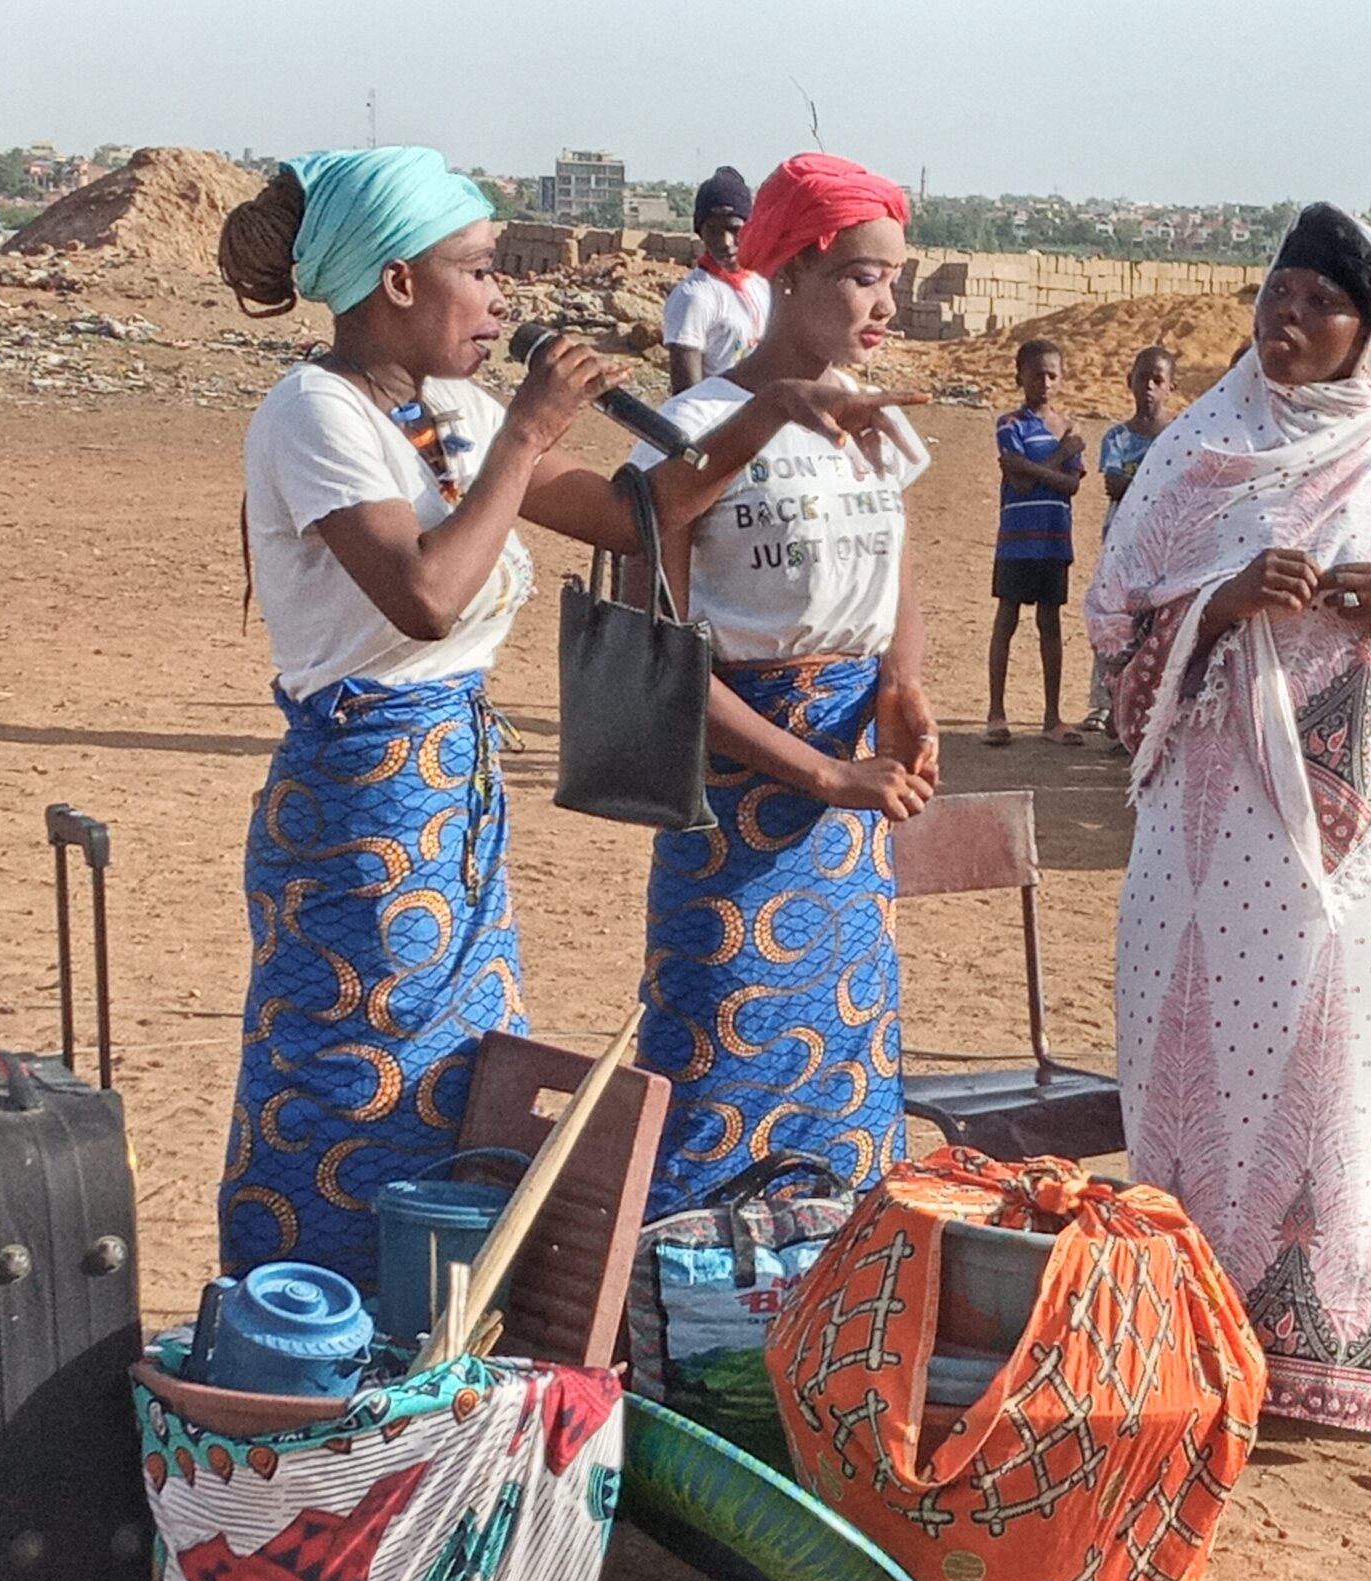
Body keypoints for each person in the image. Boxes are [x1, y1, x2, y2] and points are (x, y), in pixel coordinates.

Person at [212, 147, 915, 1278]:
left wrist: (769, 412)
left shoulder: (449, 408)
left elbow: (637, 517)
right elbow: (427, 595)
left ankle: (428, 1307)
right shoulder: (315, 414)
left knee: (453, 1068)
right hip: (359, 800)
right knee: (352, 1068)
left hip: (447, 795)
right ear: (398, 284)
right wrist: (527, 434)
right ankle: (312, 1307)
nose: (502, 301)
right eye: (478, 272)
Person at [1090, 203, 1371, 1433]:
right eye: (1277, 293)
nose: (1290, 317)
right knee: (1202, 1066)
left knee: (1348, 1070)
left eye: (1321, 304)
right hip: (1206, 839)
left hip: (1365, 846)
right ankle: (1194, 1344)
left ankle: (1320, 1356)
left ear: (1370, 329)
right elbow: (1115, 626)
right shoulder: (1192, 452)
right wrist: (1217, 608)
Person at [624, 151, 944, 1213]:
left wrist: (900, 688)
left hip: (847, 826)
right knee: (718, 1074)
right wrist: (818, 772)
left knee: (844, 1098)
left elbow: (895, 567)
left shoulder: (875, 417)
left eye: (892, 276)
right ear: (794, 272)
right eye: (862, 274)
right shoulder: (695, 431)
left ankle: (831, 1340)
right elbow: (660, 661)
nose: (885, 301)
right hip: (734, 818)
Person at [986, 337, 1085, 747]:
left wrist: (1038, 466)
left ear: (1061, 380)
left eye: (1052, 375)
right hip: (1016, 539)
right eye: (1036, 374)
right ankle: (995, 713)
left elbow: (1069, 485)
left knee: (1050, 623)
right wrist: (1061, 454)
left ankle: (1051, 717)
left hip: (1052, 539)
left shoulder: (1070, 427)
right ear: (1019, 376)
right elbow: (1018, 478)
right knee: (1006, 618)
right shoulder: (1010, 424)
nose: (1044, 382)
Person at [1085, 346, 1178, 737]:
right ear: (1130, 382)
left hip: (1162, 548)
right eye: (1143, 378)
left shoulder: (1178, 435)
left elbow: (1166, 489)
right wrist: (1151, 485)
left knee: (1152, 624)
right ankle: (1102, 704)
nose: (1150, 388)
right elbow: (1113, 484)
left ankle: (1140, 705)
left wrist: (1137, 486)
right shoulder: (1118, 437)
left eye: (1158, 380)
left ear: (1171, 387)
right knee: (1113, 621)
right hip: (1121, 547)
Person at [661, 167, 770, 394]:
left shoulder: (763, 283)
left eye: (734, 229)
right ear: (700, 231)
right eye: (713, 230)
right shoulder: (694, 298)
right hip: (720, 423)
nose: (725, 242)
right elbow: (686, 395)